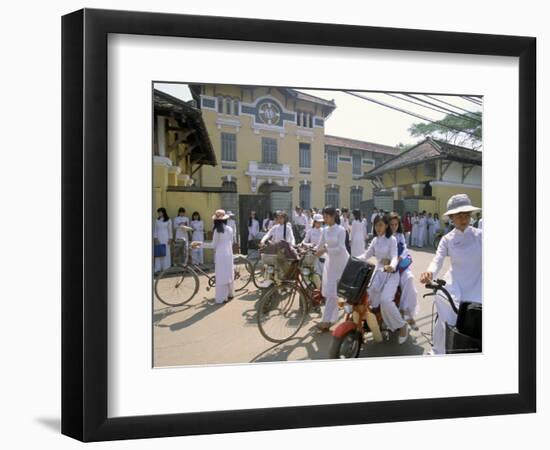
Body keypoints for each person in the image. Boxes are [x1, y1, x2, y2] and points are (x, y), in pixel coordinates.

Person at [420, 194, 482, 355]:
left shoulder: (480, 235)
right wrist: (429, 272)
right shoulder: (447, 239)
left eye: (467, 214)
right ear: (451, 217)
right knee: (445, 319)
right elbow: (438, 259)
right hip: (455, 285)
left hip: (478, 284)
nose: (464, 218)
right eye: (459, 215)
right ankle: (438, 351)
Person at [359, 214, 409, 344]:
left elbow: (394, 256)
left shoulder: (391, 239)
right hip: (378, 273)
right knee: (368, 296)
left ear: (386, 225)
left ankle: (402, 325)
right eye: (376, 225)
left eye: (381, 225)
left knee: (385, 300)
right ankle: (375, 322)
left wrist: (392, 265)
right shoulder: (375, 240)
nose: (378, 228)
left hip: (391, 274)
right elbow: (366, 254)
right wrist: (351, 259)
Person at [315, 206, 349, 331]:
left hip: (342, 262)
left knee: (341, 292)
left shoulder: (341, 230)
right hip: (331, 263)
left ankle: (330, 319)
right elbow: (319, 245)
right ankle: (328, 319)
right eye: (323, 217)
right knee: (331, 292)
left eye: (326, 217)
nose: (324, 219)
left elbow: (341, 248)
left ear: (333, 216)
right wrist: (310, 249)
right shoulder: (324, 230)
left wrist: (325, 250)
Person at [389, 213, 418, 329]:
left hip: (401, 266)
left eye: (396, 224)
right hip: (389, 268)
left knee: (410, 278)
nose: (394, 227)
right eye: (391, 224)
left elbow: (405, 249)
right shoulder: (384, 236)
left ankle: (405, 310)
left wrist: (400, 258)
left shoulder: (400, 235)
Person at [154, 207, 172, 273]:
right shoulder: (156, 220)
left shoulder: (168, 220)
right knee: (158, 252)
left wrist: (170, 238)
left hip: (166, 237)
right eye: (158, 212)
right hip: (158, 237)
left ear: (163, 212)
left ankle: (166, 268)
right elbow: (155, 230)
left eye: (160, 212)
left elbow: (170, 230)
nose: (159, 213)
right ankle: (158, 268)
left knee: (166, 252)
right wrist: (155, 238)